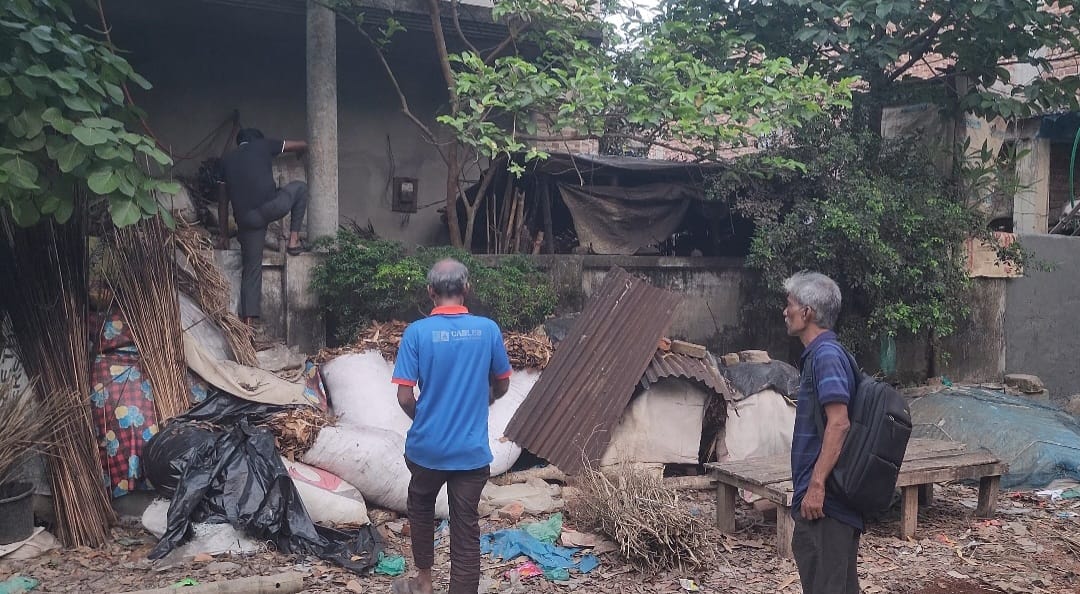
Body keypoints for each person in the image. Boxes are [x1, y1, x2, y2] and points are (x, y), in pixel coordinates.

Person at [390, 259, 512, 594]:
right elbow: (502, 384)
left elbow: (404, 397)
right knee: (465, 528)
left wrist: (427, 420)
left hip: (427, 449)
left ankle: (424, 581)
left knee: (421, 504)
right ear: (466, 290)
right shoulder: (487, 330)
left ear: (430, 292)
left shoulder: (416, 333)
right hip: (471, 453)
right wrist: (481, 401)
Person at [783, 271, 862, 594]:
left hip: (826, 503)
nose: (784, 311)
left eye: (789, 305)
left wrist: (816, 486)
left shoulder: (826, 356)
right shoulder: (823, 355)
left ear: (807, 313)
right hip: (828, 502)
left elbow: (839, 422)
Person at [217, 128, 309, 325]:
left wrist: (223, 235)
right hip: (271, 206)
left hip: (247, 221)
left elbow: (223, 203)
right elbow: (300, 144)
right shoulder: (263, 145)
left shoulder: (226, 161)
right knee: (300, 188)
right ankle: (293, 241)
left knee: (251, 270)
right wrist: (302, 152)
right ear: (257, 139)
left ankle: (248, 325)